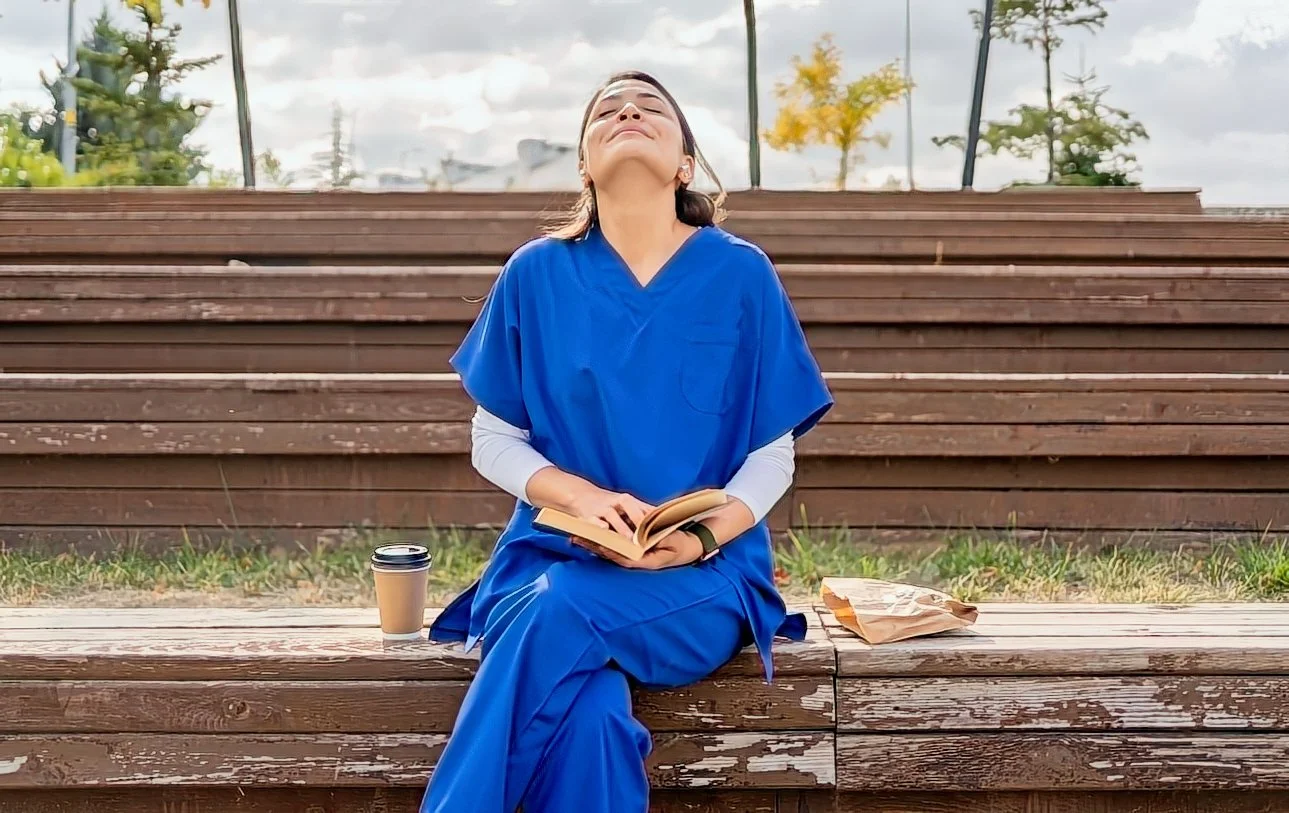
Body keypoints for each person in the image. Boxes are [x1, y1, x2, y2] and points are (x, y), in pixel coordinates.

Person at [420, 70, 833, 813]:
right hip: (551, 558)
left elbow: (771, 453)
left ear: (684, 163)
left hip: (701, 579)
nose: (627, 111)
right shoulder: (535, 273)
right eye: (606, 109)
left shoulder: (740, 273)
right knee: (590, 722)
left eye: (650, 108)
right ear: (584, 162)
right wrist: (582, 496)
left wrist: (703, 535)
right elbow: (493, 437)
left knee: (560, 611)